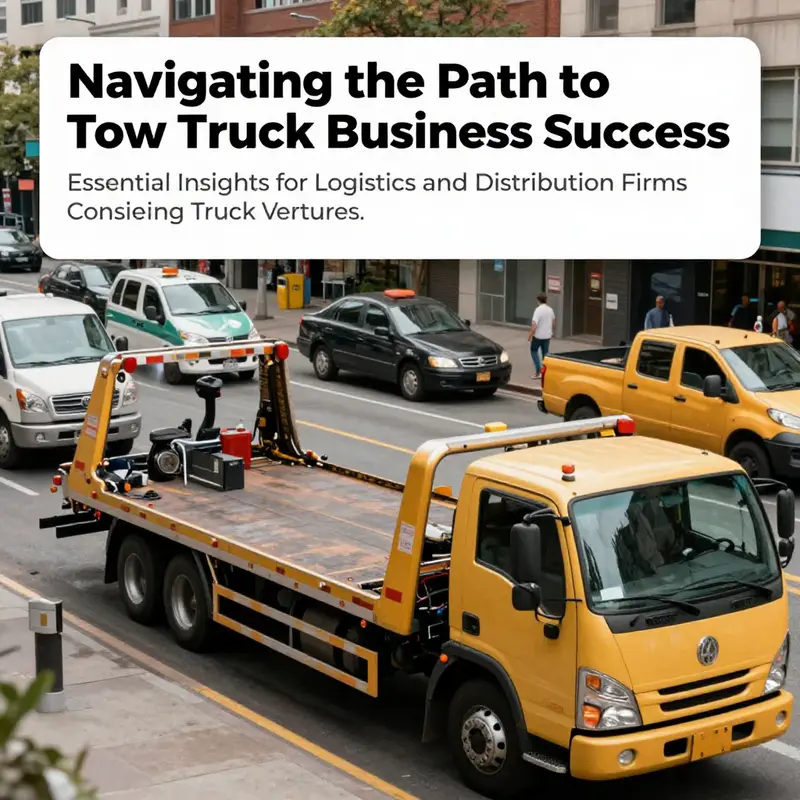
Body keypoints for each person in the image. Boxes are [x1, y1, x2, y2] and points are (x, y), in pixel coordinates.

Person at [528, 292, 555, 379]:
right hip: (547, 335)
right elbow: (553, 322)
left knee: (533, 351)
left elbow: (534, 324)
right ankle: (545, 371)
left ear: (538, 300)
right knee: (545, 354)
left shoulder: (538, 310)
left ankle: (538, 371)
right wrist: (551, 331)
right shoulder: (550, 310)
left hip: (538, 336)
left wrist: (530, 335)